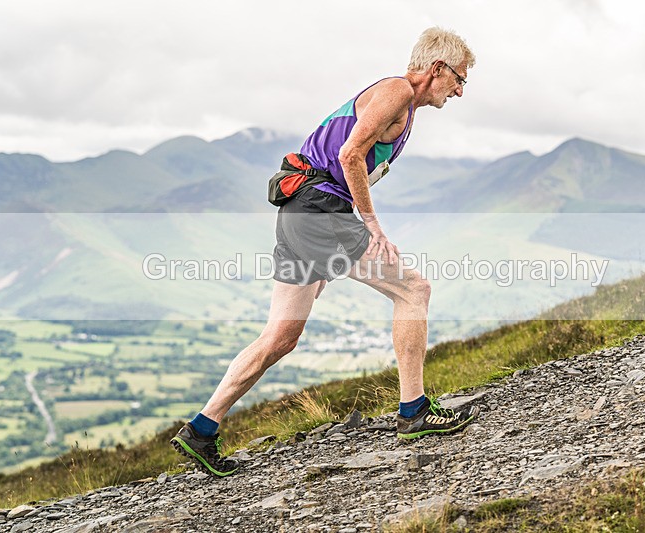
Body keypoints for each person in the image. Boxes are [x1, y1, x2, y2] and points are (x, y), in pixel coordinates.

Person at [171, 27, 478, 477]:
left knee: (281, 335)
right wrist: (371, 225)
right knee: (414, 289)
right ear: (436, 68)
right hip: (317, 208)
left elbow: (348, 157)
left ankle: (201, 429)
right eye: (459, 79)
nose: (460, 91)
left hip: (301, 210)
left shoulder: (402, 105)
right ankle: (413, 411)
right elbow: (352, 155)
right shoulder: (396, 91)